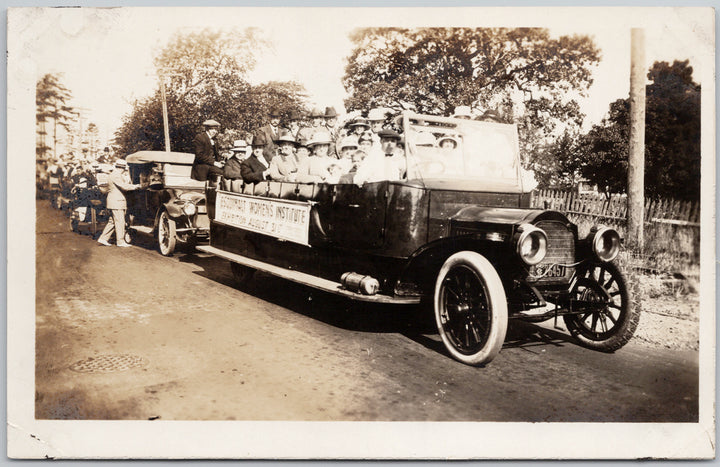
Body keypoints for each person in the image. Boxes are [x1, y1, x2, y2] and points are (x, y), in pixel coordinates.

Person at [97, 158, 140, 247]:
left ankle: (103, 238)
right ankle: (120, 241)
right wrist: (137, 186)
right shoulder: (116, 175)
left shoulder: (114, 174)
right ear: (122, 168)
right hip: (117, 201)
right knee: (120, 221)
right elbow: (124, 187)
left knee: (112, 221)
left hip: (114, 201)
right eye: (125, 168)